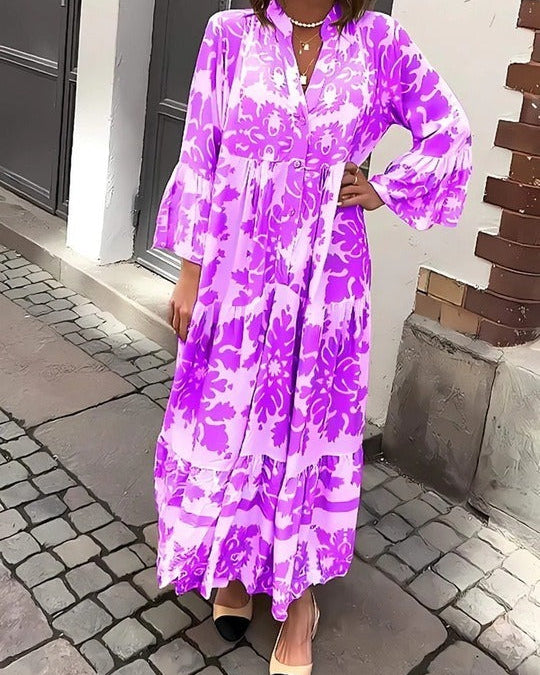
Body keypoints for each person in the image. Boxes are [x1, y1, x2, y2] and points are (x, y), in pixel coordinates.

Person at [152, 0, 472, 673]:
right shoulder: (230, 35)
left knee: (308, 429)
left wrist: (383, 188)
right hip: (239, 273)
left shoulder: (377, 40)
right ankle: (235, 562)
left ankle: (300, 601)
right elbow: (200, 155)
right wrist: (189, 271)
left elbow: (450, 130)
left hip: (328, 281)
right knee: (233, 421)